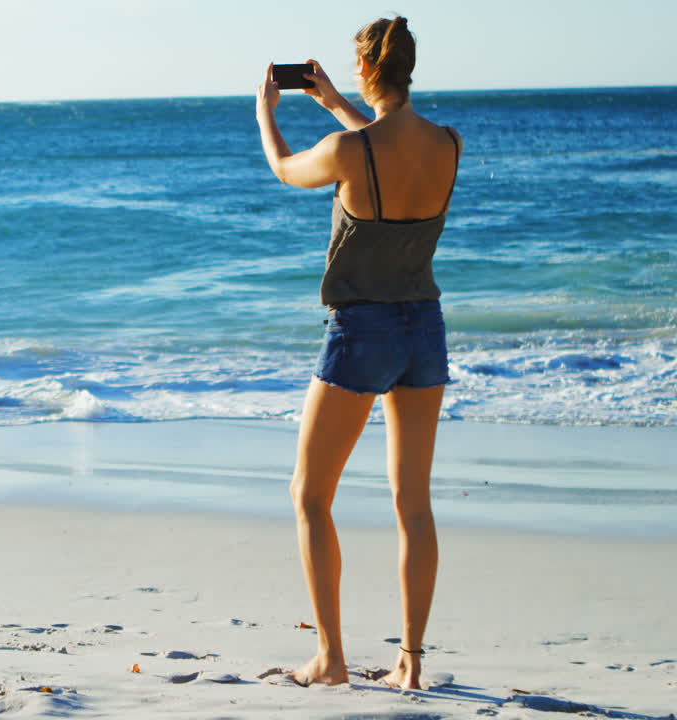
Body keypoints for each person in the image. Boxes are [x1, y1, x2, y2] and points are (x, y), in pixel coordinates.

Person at [255, 16, 461, 690]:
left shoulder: (347, 150)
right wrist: (337, 102)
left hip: (362, 332)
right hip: (424, 327)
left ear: (369, 69)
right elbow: (386, 148)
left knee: (310, 495)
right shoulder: (448, 144)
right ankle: (411, 662)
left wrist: (266, 114)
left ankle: (331, 658)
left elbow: (287, 168)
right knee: (414, 506)